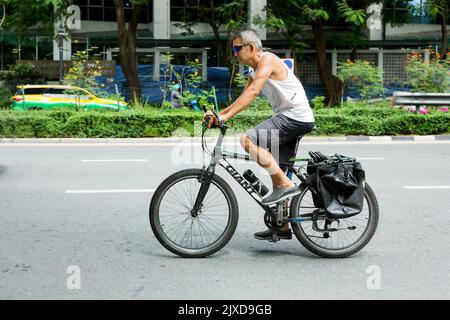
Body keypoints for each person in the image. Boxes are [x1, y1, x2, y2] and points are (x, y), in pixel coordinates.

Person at [203, 28, 315, 241]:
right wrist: (220, 114)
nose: (234, 53)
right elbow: (246, 96)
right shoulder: (254, 71)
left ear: (251, 47)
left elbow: (254, 92)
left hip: (295, 117)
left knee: (247, 140)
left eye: (237, 48)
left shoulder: (268, 60)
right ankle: (281, 226)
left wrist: (225, 117)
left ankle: (287, 184)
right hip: (290, 117)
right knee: (277, 169)